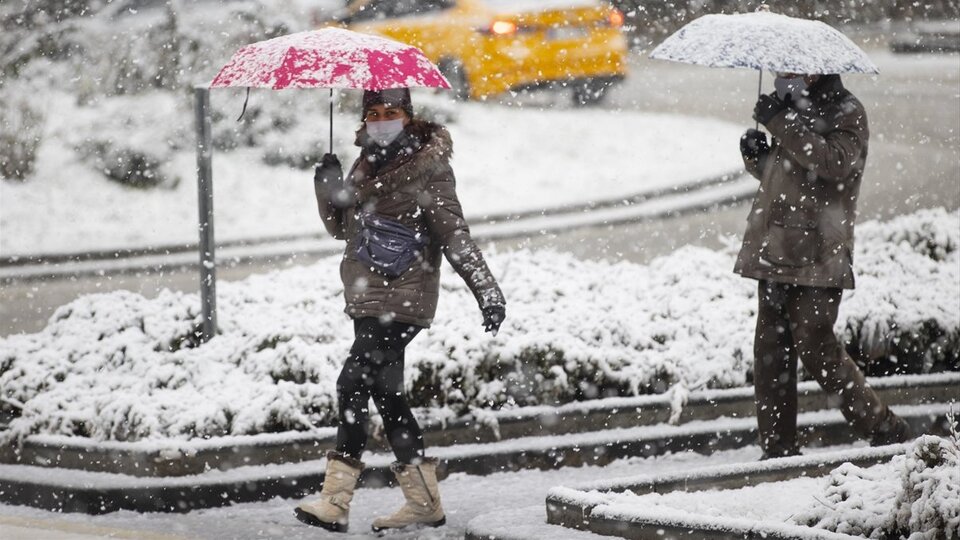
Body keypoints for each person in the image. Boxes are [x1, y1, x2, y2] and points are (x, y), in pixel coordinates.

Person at [294, 88, 506, 532]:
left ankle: (335, 501)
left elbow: (453, 233)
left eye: (391, 112)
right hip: (367, 295)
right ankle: (424, 502)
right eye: (373, 113)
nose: (382, 120)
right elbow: (342, 227)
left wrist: (485, 288)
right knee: (388, 395)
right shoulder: (364, 163)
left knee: (351, 382)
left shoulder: (429, 168)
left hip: (405, 295)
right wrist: (327, 188)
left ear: (408, 117)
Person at [736, 72, 912, 460]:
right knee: (770, 353)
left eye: (790, 70)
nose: (782, 76)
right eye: (780, 70)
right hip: (778, 247)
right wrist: (758, 157)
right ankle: (778, 450)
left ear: (813, 70)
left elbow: (833, 165)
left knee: (817, 347)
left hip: (819, 253)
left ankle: (886, 430)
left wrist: (780, 121)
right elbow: (790, 177)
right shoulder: (793, 110)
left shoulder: (846, 111)